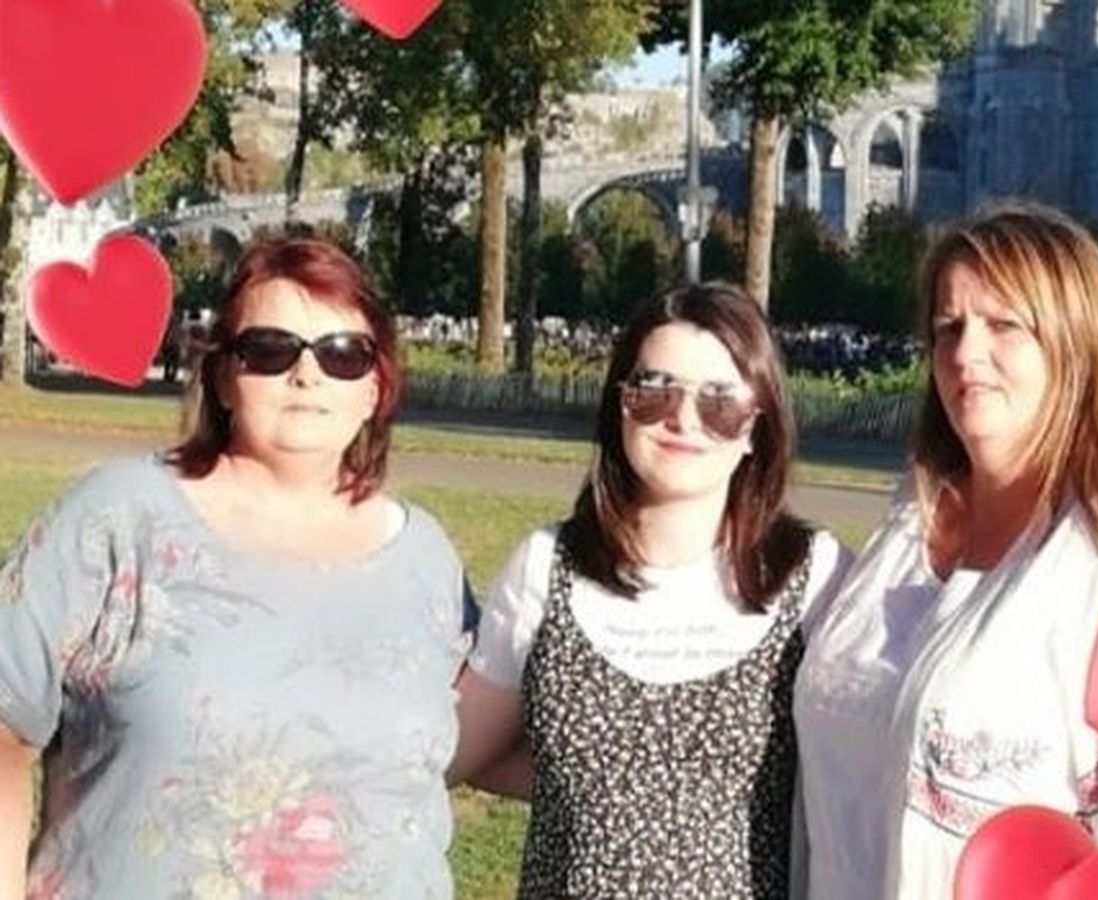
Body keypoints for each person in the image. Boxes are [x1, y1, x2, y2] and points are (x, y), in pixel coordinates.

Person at [0, 238, 475, 899]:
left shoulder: (425, 557)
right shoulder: (118, 517)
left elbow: (493, 727)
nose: (306, 375)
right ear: (223, 377)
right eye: (271, 350)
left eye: (343, 354)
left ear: (374, 388)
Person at [792, 201, 1098, 899]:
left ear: (1078, 343)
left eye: (1003, 324)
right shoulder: (908, 525)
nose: (964, 353)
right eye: (947, 327)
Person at [451, 283, 854, 898]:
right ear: (620, 404)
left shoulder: (815, 578)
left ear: (757, 426)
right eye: (654, 389)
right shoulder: (547, 566)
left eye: (720, 401)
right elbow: (458, 750)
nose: (683, 418)